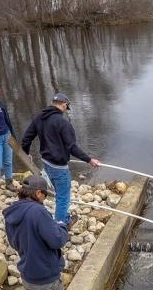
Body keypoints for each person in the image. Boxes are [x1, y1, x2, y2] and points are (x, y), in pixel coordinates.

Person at [3, 175, 77, 290]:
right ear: (37, 193)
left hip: (29, 274)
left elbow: (13, 242)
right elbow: (56, 240)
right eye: (45, 194)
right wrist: (64, 227)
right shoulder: (38, 212)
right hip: (46, 277)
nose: (45, 198)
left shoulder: (13, 212)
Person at [20, 93, 101, 225]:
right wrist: (89, 160)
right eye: (65, 108)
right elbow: (72, 147)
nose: (65, 110)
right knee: (63, 197)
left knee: (58, 193)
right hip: (59, 167)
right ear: (64, 105)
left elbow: (26, 138)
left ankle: (62, 217)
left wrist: (26, 152)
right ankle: (60, 225)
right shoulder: (63, 123)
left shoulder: (39, 117)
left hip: (46, 163)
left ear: (52, 103)